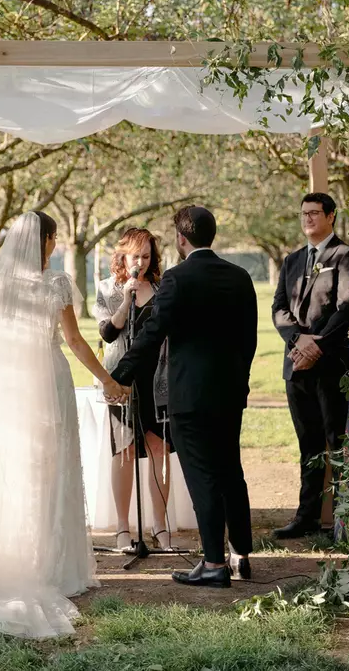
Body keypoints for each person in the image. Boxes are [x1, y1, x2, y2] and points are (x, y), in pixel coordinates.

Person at [0, 211, 125, 639]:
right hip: (50, 379)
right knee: (53, 470)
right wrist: (107, 379)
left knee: (17, 468)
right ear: (46, 241)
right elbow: (72, 339)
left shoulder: (2, 285)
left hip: (12, 386)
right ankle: (55, 568)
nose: (54, 245)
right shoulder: (56, 284)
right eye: (53, 238)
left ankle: (15, 557)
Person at [111, 206, 258, 588]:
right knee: (230, 471)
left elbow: (152, 333)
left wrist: (120, 375)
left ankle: (213, 563)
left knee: (203, 477)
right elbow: (249, 340)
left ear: (181, 238)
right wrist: (239, 383)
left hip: (190, 397)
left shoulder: (177, 279)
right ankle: (240, 554)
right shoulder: (240, 277)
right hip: (229, 394)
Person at [272, 192, 349, 539]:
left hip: (329, 366)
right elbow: (279, 307)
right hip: (296, 365)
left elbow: (346, 308)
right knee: (307, 444)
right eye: (303, 213)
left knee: (337, 442)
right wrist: (297, 340)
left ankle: (342, 521)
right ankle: (306, 517)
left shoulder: (346, 256)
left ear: (331, 216)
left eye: (314, 213)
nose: (307, 219)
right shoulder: (292, 259)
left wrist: (315, 345)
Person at [93, 227, 174, 552]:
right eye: (134, 256)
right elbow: (107, 334)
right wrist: (125, 300)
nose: (139, 262)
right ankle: (123, 529)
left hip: (158, 379)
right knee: (124, 450)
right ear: (122, 256)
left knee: (159, 450)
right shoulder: (106, 289)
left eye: (145, 256)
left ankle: (160, 526)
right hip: (121, 380)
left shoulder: (163, 287)